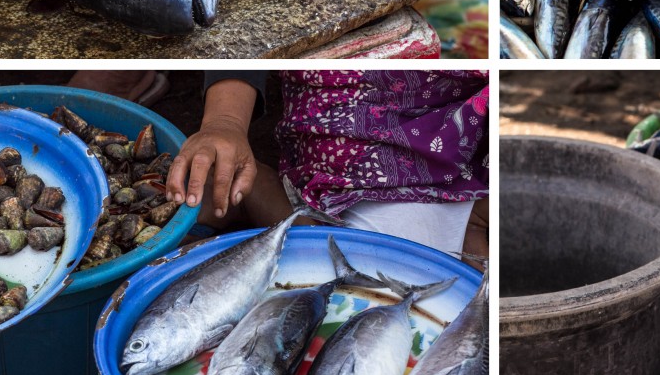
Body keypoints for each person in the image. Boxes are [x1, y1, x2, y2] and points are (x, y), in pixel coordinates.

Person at [165, 71, 489, 257]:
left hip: (465, 106)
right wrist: (225, 121)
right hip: (353, 102)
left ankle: (249, 192)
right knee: (361, 268)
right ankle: (255, 190)